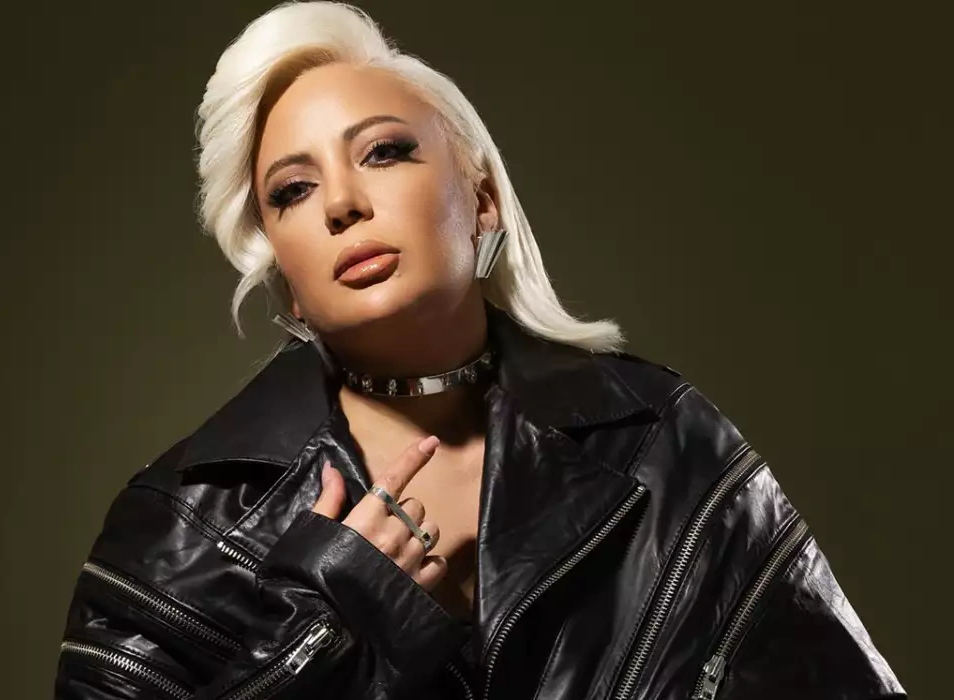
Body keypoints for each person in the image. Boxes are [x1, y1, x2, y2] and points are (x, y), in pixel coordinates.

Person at [53, 2, 905, 698]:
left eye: (384, 151)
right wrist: (323, 638)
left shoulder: (662, 439)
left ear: (483, 200)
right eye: (294, 190)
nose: (342, 203)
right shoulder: (181, 524)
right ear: (284, 272)